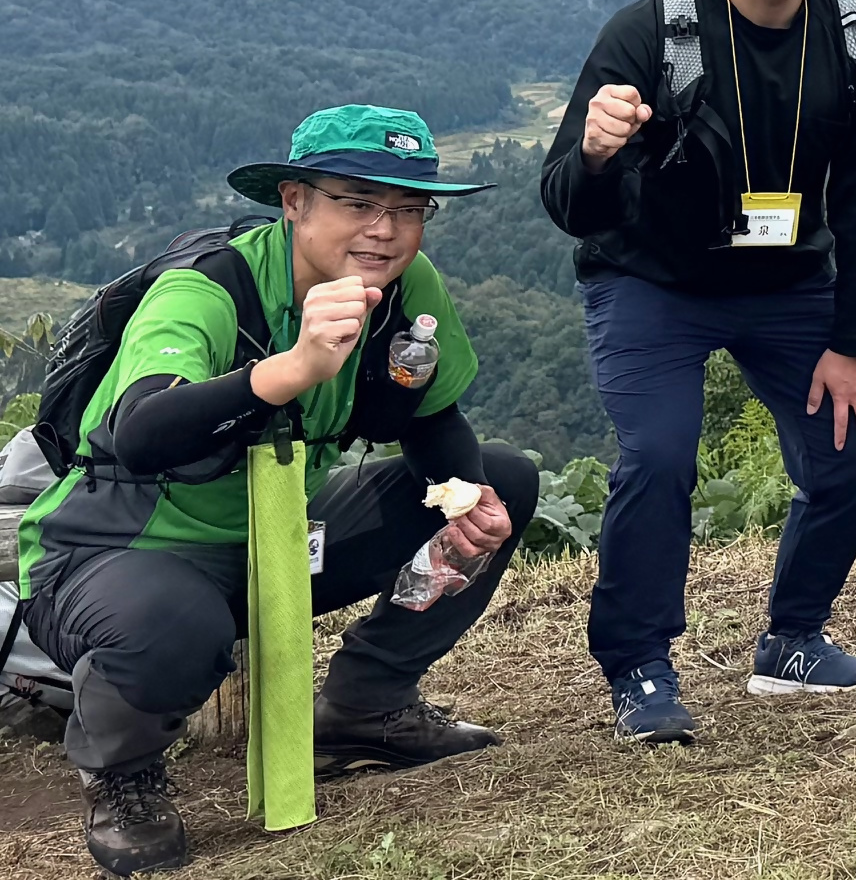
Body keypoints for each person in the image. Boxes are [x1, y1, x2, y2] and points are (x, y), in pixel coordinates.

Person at [21, 107, 536, 876]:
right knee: (174, 620)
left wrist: (463, 491)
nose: (385, 231)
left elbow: (429, 415)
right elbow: (141, 432)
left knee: (505, 480)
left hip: (278, 541)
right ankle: (123, 775)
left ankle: (366, 705)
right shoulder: (207, 290)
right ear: (294, 201)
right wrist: (289, 369)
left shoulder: (403, 290)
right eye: (357, 202)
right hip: (118, 554)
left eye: (408, 209)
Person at [542, 0, 856, 744]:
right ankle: (638, 666)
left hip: (787, 279)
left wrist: (855, 344)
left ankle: (793, 640)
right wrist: (596, 153)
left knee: (854, 450)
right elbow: (568, 203)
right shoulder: (651, 31)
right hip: (652, 279)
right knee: (660, 454)